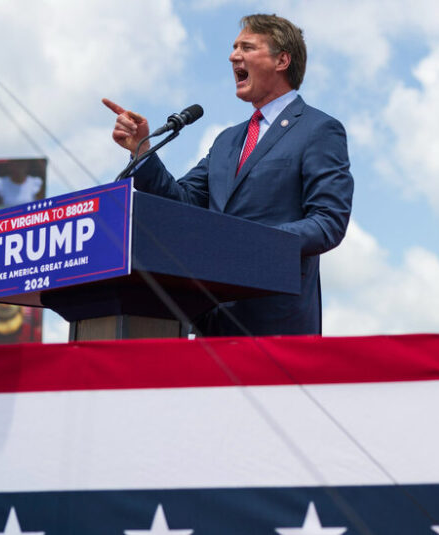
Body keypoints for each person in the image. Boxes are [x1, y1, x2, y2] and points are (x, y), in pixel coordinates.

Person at [105, 14, 354, 336]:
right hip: (211, 323)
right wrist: (141, 150)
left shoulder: (318, 129)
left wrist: (247, 244)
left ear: (282, 60)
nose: (232, 56)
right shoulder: (227, 140)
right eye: (234, 48)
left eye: (246, 47)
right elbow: (182, 202)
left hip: (276, 324)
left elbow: (327, 222)